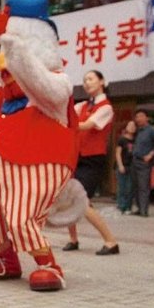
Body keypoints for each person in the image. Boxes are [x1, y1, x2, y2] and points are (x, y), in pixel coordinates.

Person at [64, 70, 120, 255]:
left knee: (82, 202)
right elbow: (68, 115)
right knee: (69, 199)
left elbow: (86, 125)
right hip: (77, 157)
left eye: (91, 79)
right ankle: (73, 239)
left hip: (93, 160)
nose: (87, 83)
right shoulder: (82, 106)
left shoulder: (106, 108)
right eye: (84, 80)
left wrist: (67, 123)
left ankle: (111, 241)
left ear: (102, 82)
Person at [131, 109, 154, 216]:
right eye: (137, 117)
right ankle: (139, 208)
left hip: (144, 161)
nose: (138, 119)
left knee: (143, 186)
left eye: (141, 116)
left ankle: (144, 210)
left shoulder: (152, 130)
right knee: (135, 185)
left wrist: (151, 154)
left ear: (146, 117)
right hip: (134, 160)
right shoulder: (137, 131)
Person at [115, 119, 136, 214]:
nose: (132, 127)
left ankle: (128, 207)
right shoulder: (122, 139)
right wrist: (120, 165)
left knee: (130, 187)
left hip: (132, 166)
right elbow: (118, 153)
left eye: (133, 126)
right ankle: (121, 206)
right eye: (130, 125)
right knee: (122, 187)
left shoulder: (136, 139)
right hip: (123, 165)